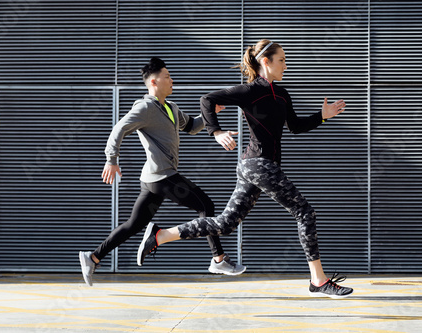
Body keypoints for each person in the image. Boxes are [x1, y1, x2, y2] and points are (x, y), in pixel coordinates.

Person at [136, 40, 353, 299]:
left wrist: (322, 116)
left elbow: (294, 126)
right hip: (257, 164)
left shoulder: (282, 95)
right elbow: (207, 99)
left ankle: (160, 235)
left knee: (226, 223)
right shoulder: (251, 91)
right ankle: (318, 280)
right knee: (304, 211)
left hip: (257, 166)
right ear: (265, 61)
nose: (286, 65)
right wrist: (215, 131)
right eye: (281, 59)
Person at [79, 57, 246, 286]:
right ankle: (218, 259)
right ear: (154, 82)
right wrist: (111, 160)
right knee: (205, 205)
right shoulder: (145, 107)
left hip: (152, 180)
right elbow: (119, 129)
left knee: (134, 224)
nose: (171, 80)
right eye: (167, 76)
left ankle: (93, 257)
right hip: (163, 175)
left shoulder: (171, 107)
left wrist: (210, 113)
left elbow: (191, 127)